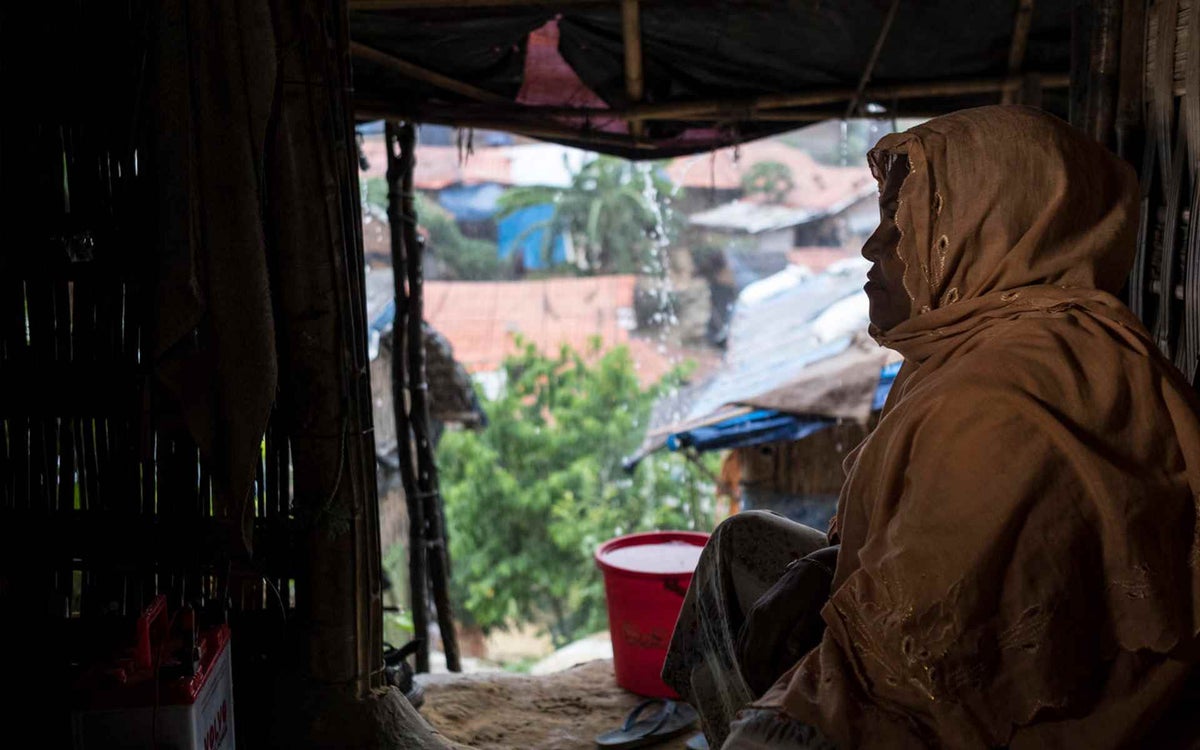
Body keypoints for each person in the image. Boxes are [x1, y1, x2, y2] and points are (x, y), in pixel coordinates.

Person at [663, 105, 1200, 749]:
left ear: (989, 233)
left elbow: (913, 666)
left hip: (1044, 719)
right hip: (950, 647)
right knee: (741, 546)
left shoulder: (1002, 400)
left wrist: (793, 697)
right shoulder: (983, 342)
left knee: (770, 736)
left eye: (903, 222)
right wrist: (824, 571)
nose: (872, 245)